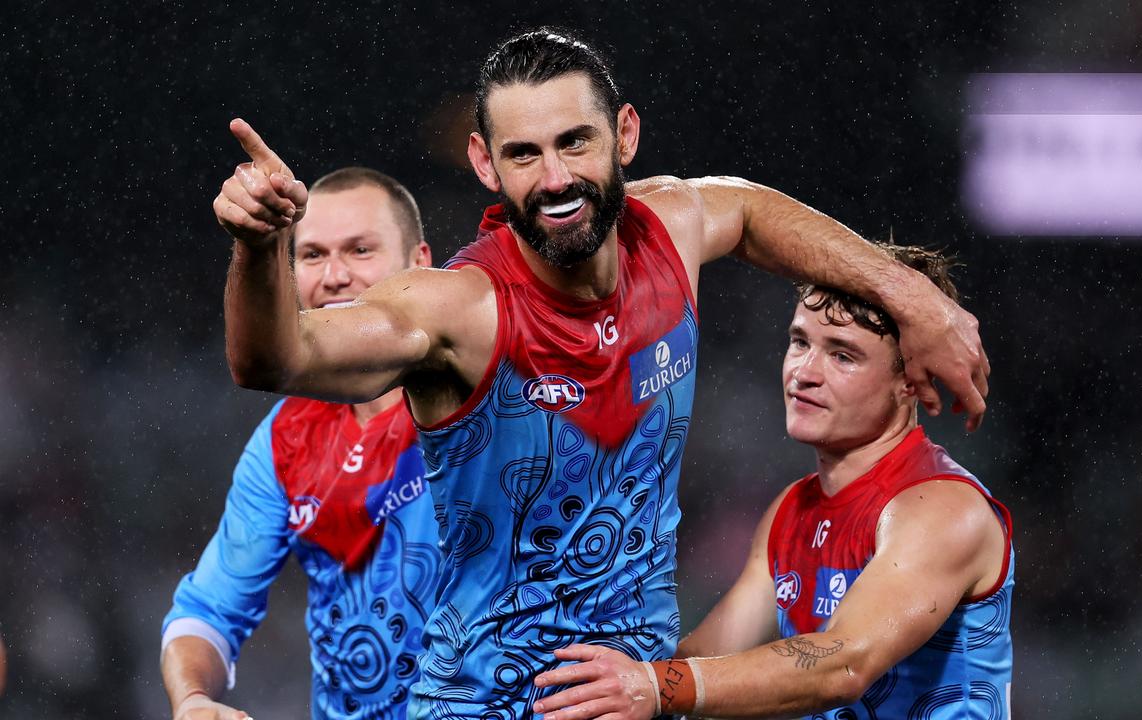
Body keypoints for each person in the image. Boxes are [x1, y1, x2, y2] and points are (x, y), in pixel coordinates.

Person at [211, 28, 990, 717]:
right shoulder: (457, 308)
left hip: (631, 696)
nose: (554, 179)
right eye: (523, 153)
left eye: (574, 142)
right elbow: (274, 359)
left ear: (625, 134)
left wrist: (913, 297)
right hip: (483, 705)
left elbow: (749, 209)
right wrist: (256, 249)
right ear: (485, 162)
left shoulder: (671, 232)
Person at [530, 245, 1012, 720]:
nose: (804, 373)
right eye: (800, 342)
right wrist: (590, 687)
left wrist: (654, 687)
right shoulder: (791, 509)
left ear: (910, 381)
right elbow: (707, 658)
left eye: (843, 356)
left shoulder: (943, 508)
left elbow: (844, 665)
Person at [163, 167, 440, 720]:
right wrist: (193, 699)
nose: (335, 275)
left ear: (420, 263)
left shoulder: (488, 392)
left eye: (360, 250)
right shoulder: (283, 442)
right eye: (311, 255)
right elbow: (209, 611)